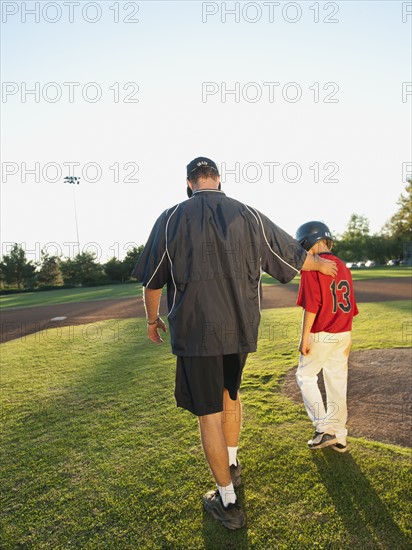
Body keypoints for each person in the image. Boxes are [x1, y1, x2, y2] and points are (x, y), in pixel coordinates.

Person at [132, 158, 337, 530]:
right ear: (218, 180)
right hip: (239, 331)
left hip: (197, 334)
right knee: (231, 393)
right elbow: (290, 256)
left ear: (189, 183)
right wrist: (322, 265)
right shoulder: (248, 213)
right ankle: (232, 462)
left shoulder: (171, 217)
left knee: (208, 413)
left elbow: (151, 281)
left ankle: (227, 501)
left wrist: (151, 320)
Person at [294, 221, 358, 453]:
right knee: (336, 382)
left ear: (308, 243)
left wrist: (304, 338)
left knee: (305, 375)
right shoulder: (343, 266)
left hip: (322, 332)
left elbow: (311, 305)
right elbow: (351, 307)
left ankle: (324, 428)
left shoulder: (313, 266)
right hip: (344, 332)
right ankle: (339, 435)